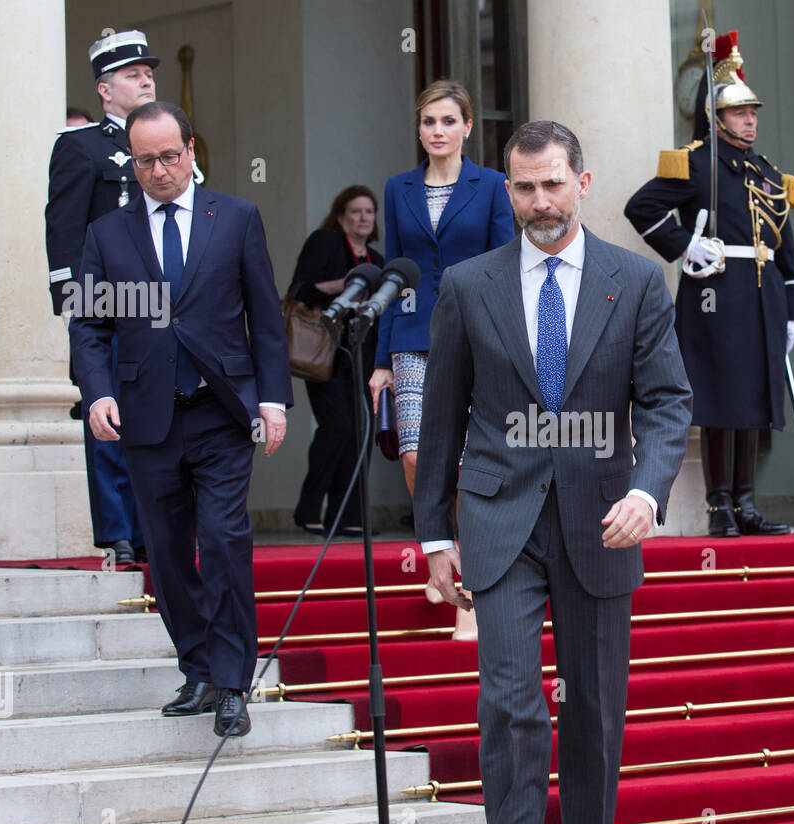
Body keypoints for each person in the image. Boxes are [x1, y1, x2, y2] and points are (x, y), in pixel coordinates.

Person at [415, 120, 692, 824]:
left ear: (584, 184)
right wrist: (437, 536)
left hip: (601, 522)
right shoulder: (471, 286)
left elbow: (668, 401)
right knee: (511, 706)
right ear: (508, 190)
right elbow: (441, 414)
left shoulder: (634, 283)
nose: (542, 202)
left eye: (554, 184)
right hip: (500, 519)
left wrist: (646, 491)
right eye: (526, 187)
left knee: (593, 712)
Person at [68, 102, 292, 738]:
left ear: (192, 150)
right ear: (132, 164)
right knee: (166, 554)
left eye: (171, 156)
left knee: (223, 542)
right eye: (146, 161)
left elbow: (265, 319)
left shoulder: (237, 218)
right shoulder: (108, 235)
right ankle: (196, 667)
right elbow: (88, 326)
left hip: (223, 413)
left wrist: (272, 400)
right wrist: (99, 392)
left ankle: (231, 683)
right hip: (146, 418)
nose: (161, 170)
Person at [624, 32, 794, 537]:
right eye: (740, 112)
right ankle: (719, 506)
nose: (750, 120)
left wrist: (793, 310)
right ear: (717, 116)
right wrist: (685, 246)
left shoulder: (768, 174)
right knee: (723, 400)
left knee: (754, 401)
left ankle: (747, 504)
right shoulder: (696, 163)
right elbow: (641, 207)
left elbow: (785, 248)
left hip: (763, 298)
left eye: (753, 112)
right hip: (716, 295)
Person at [368, 79, 514, 637]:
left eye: (448, 121)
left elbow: (505, 263)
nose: (437, 131)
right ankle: (441, 549)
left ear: (467, 127)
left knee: (468, 462)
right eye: (429, 122)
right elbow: (394, 272)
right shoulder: (397, 187)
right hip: (409, 334)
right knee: (415, 455)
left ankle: (468, 589)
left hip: (476, 337)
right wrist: (382, 355)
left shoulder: (493, 185)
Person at [46, 30, 159, 566]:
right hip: (109, 303)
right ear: (105, 90)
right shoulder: (82, 146)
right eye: (133, 74)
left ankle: (153, 527)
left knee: (157, 417)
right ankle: (118, 530)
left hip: (161, 306)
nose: (146, 80)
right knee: (108, 417)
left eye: (148, 73)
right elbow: (64, 227)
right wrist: (78, 303)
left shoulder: (165, 145)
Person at [290, 185, 384, 537]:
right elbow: (299, 291)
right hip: (325, 353)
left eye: (369, 212)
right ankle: (308, 509)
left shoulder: (376, 260)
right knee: (339, 426)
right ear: (341, 215)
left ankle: (348, 517)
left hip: (363, 356)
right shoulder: (324, 243)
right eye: (356, 211)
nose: (363, 217)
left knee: (361, 431)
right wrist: (342, 286)